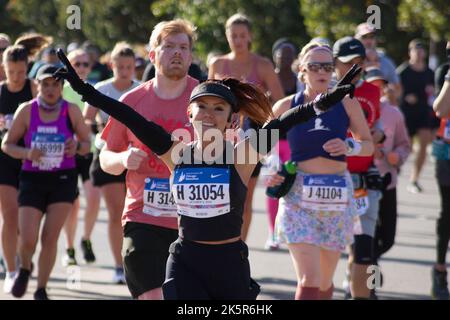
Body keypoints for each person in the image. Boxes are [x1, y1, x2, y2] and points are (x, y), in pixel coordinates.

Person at [55, 38, 357, 299]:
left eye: (219, 108)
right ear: (190, 113)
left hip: (229, 262)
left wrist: (325, 101)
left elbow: (285, 122)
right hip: (185, 261)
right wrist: (85, 91)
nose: (209, 115)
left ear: (232, 120)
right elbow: (129, 116)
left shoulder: (243, 155)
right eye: (202, 107)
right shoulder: (175, 153)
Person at [88, 20, 198, 300]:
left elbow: (232, 151)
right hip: (143, 219)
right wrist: (124, 158)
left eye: (183, 47)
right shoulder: (132, 101)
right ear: (152, 54)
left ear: (190, 55)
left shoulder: (206, 101)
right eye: (169, 46)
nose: (177, 53)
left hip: (193, 221)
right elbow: (105, 159)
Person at [269, 41, 373, 300]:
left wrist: (349, 145)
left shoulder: (347, 104)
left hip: (337, 196)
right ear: (302, 70)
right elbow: (262, 147)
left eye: (327, 66)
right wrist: (272, 170)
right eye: (314, 66)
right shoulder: (284, 106)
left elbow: (368, 145)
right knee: (309, 279)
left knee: (325, 282)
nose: (321, 71)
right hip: (297, 198)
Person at [1, 64, 90, 300]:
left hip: (62, 180)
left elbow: (87, 144)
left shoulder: (71, 110)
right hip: (32, 179)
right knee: (28, 237)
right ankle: (25, 267)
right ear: (37, 85)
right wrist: (28, 153)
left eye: (55, 84)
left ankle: (41, 288)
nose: (50, 89)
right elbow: (7, 145)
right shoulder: (26, 110)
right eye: (45, 84)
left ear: (62, 87)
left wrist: (77, 147)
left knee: (50, 237)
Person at [208, 13, 285, 241]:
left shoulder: (262, 65)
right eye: (233, 35)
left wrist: (254, 113)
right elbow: (208, 100)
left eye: (242, 35)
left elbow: (279, 104)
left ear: (250, 36)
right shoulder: (218, 63)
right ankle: (216, 243)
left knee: (244, 197)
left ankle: (239, 247)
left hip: (253, 136)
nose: (238, 40)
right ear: (227, 36)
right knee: (218, 193)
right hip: (221, 137)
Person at [83, 42, 140, 283]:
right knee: (117, 212)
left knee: (135, 213)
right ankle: (119, 265)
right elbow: (85, 119)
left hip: (137, 158)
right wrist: (96, 132)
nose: (125, 71)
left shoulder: (141, 90)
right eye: (121, 66)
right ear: (112, 65)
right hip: (107, 154)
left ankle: (136, 260)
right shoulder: (102, 89)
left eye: (129, 67)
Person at [333, 37, 385, 300]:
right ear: (335, 64)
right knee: (325, 258)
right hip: (329, 179)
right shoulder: (325, 93)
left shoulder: (373, 91)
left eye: (359, 63)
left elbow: (375, 127)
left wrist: (377, 136)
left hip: (364, 178)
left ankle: (358, 292)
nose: (354, 68)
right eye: (347, 63)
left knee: (364, 248)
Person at [367, 68, 411, 294]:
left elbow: (405, 144)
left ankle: (366, 265)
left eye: (380, 85)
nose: (377, 89)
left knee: (388, 238)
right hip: (362, 184)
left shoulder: (393, 113)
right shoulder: (356, 110)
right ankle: (368, 284)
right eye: (371, 84)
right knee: (367, 241)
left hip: (388, 181)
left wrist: (398, 156)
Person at [0, 44, 38, 294]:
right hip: (4, 158)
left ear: (27, 69)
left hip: (32, 159)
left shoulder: (34, 88)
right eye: (11, 71)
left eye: (21, 72)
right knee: (10, 215)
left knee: (27, 222)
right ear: (4, 69)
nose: (16, 77)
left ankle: (22, 258)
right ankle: (11, 270)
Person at [61, 48, 101, 266]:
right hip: (66, 152)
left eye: (86, 64)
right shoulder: (61, 90)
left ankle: (85, 239)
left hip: (88, 151)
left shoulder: (94, 90)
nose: (82, 68)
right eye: (77, 64)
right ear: (69, 66)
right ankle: (69, 248)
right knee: (72, 204)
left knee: (93, 198)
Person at [263, 38, 298, 250]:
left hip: (294, 141)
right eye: (281, 55)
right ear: (274, 56)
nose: (284, 59)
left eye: (288, 55)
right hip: (273, 142)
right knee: (273, 184)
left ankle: (292, 230)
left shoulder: (300, 81)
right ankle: (272, 233)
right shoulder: (269, 79)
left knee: (294, 186)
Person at [397, 39, 436, 194]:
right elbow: (394, 91)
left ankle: (414, 179)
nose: (419, 53)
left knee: (424, 146)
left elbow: (435, 92)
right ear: (410, 52)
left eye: (421, 50)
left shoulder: (430, 73)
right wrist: (404, 97)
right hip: (406, 113)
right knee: (407, 147)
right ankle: (396, 170)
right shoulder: (403, 71)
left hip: (424, 113)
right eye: (416, 50)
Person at [430, 41, 450, 300]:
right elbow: (441, 109)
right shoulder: (444, 71)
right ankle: (439, 269)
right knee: (448, 212)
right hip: (447, 154)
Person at [355, 22, 402, 100]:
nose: (368, 40)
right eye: (364, 37)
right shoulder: (349, 62)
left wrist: (389, 97)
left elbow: (398, 89)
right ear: (356, 39)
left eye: (372, 37)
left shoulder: (386, 62)